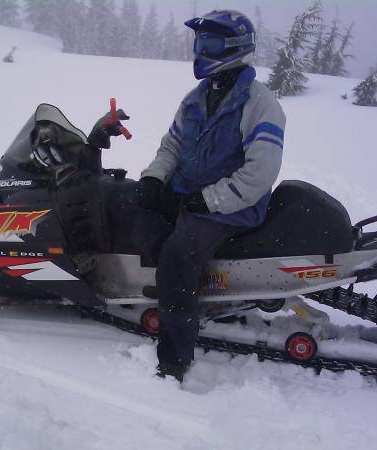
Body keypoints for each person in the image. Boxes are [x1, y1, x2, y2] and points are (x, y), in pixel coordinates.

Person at [136, 10, 286, 382]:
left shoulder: (260, 103)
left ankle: (175, 354)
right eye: (199, 43)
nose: (201, 51)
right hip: (191, 193)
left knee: (176, 256)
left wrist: (212, 200)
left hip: (234, 206)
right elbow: (171, 145)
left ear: (236, 49)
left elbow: (260, 173)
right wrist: (154, 179)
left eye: (211, 44)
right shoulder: (196, 98)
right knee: (129, 206)